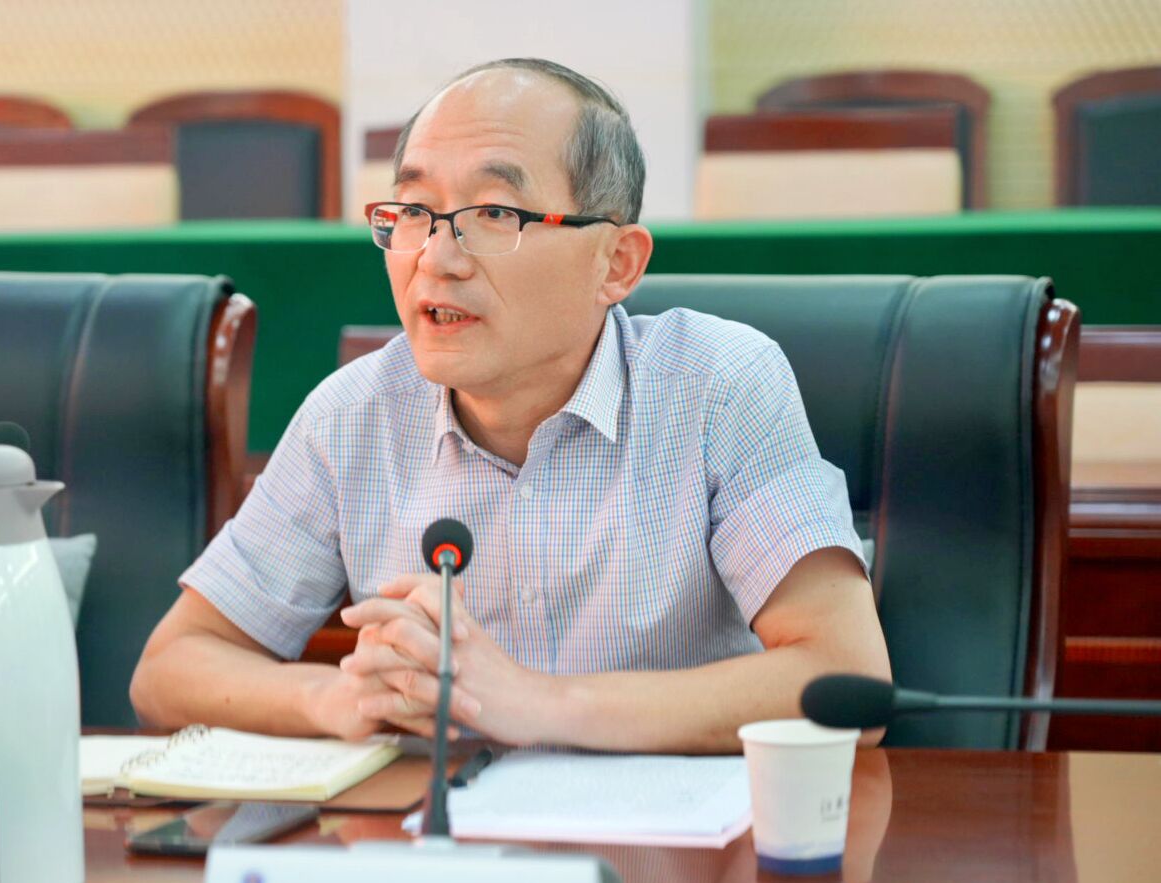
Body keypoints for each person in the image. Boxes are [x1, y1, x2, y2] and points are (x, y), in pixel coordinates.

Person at [131, 58, 890, 753]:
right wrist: (338, 699)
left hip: (670, 848)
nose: (436, 258)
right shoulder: (353, 416)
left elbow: (847, 677)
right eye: (414, 210)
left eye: (495, 214)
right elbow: (170, 667)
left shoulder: (717, 386)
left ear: (615, 263)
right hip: (441, 844)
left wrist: (539, 704)